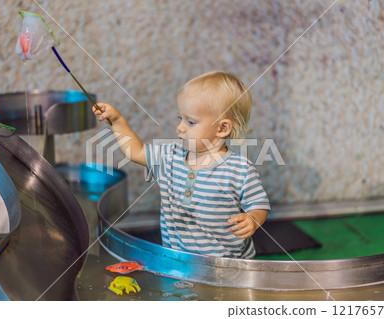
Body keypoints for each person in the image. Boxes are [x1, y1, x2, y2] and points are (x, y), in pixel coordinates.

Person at [93, 71, 270, 258]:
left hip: (229, 266)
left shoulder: (239, 169)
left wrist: (252, 219)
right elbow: (135, 152)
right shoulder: (170, 155)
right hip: (179, 261)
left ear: (222, 128)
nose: (180, 127)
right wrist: (117, 121)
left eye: (191, 122)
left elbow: (259, 204)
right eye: (180, 118)